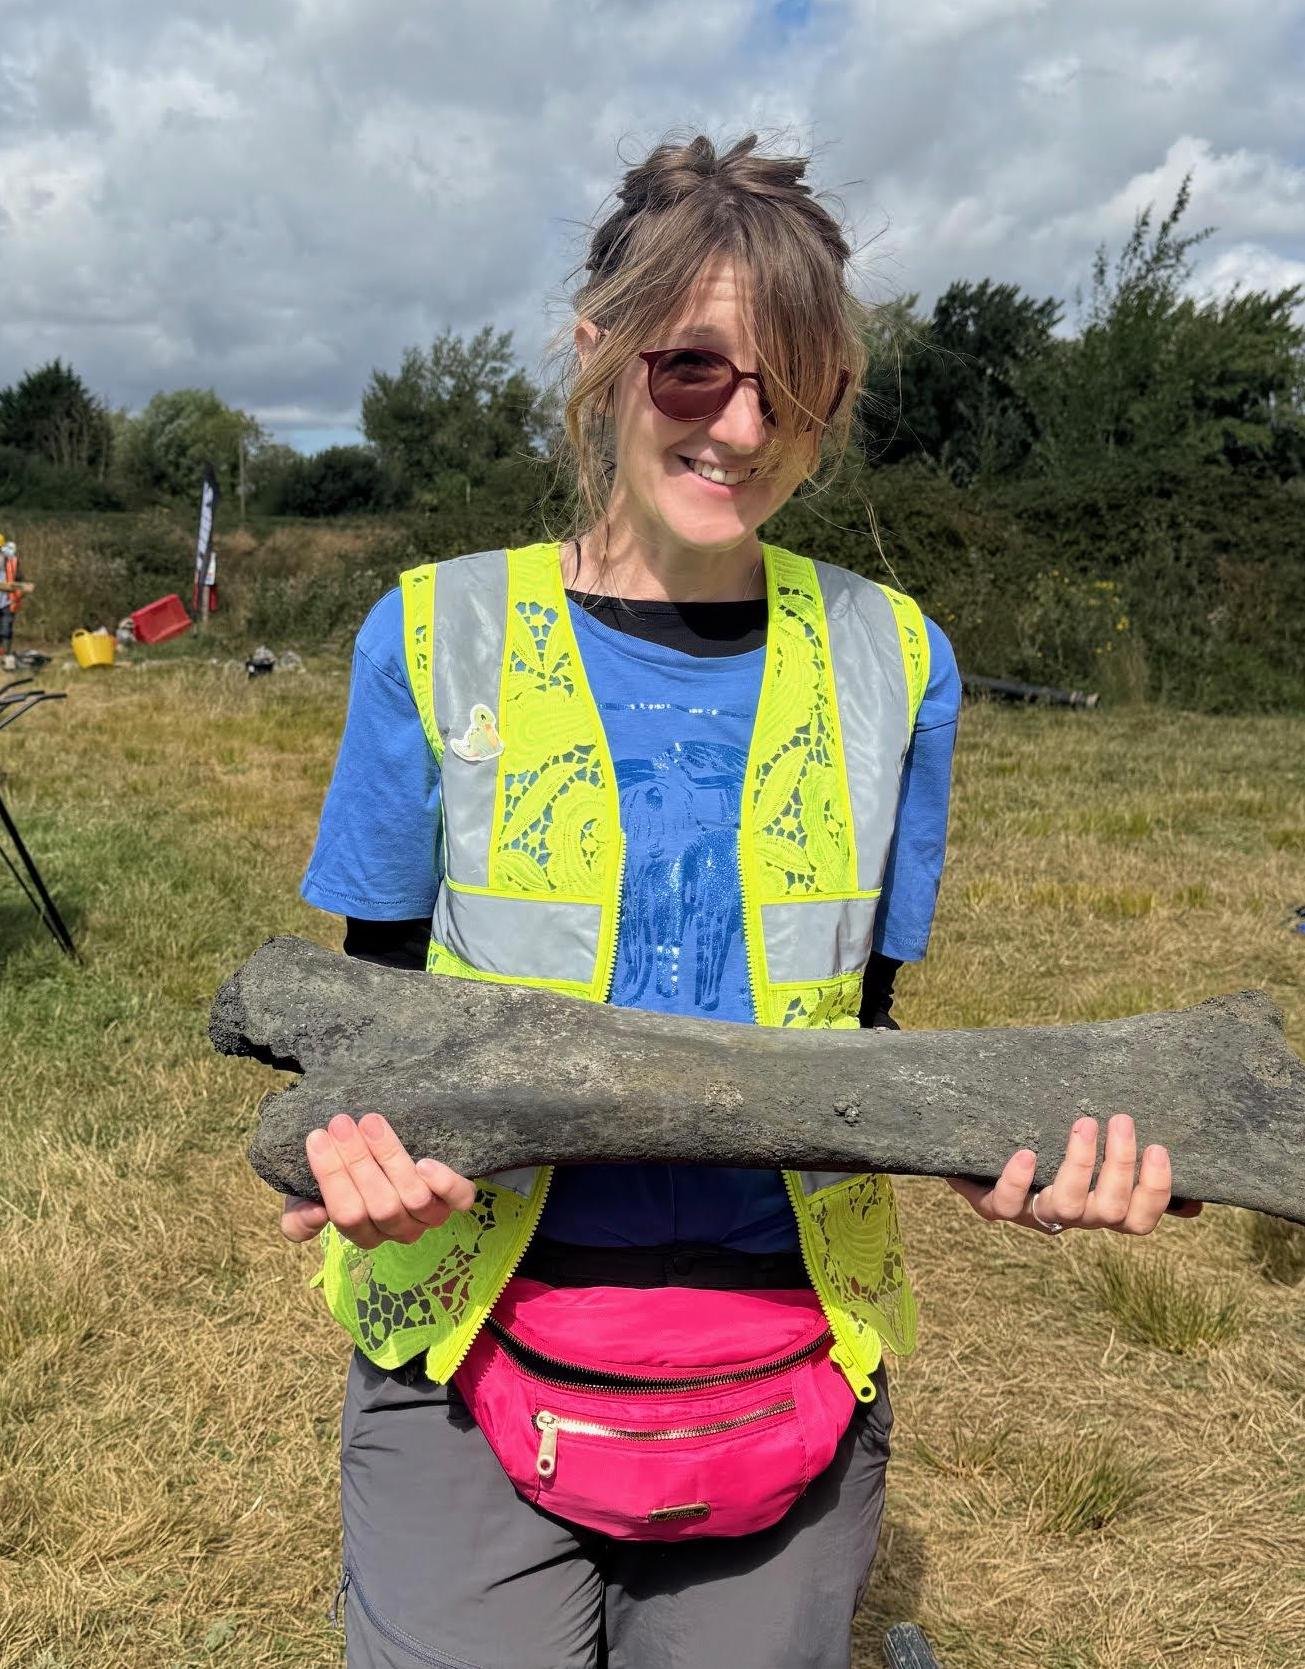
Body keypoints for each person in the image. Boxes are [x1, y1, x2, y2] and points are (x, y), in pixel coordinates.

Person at [287, 133, 1201, 1669]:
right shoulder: (434, 632)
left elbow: (863, 1035)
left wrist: (994, 1154)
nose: (744, 428)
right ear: (599, 352)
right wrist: (364, 1151)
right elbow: (369, 1021)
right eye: (696, 368)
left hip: (780, 1336)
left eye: (798, 388)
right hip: (465, 1325)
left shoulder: (897, 657)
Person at [0, 533, 33, 672]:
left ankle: (7, 658)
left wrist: (20, 593)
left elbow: (21, 581)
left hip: (7, 603)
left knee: (6, 630)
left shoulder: (12, 561)